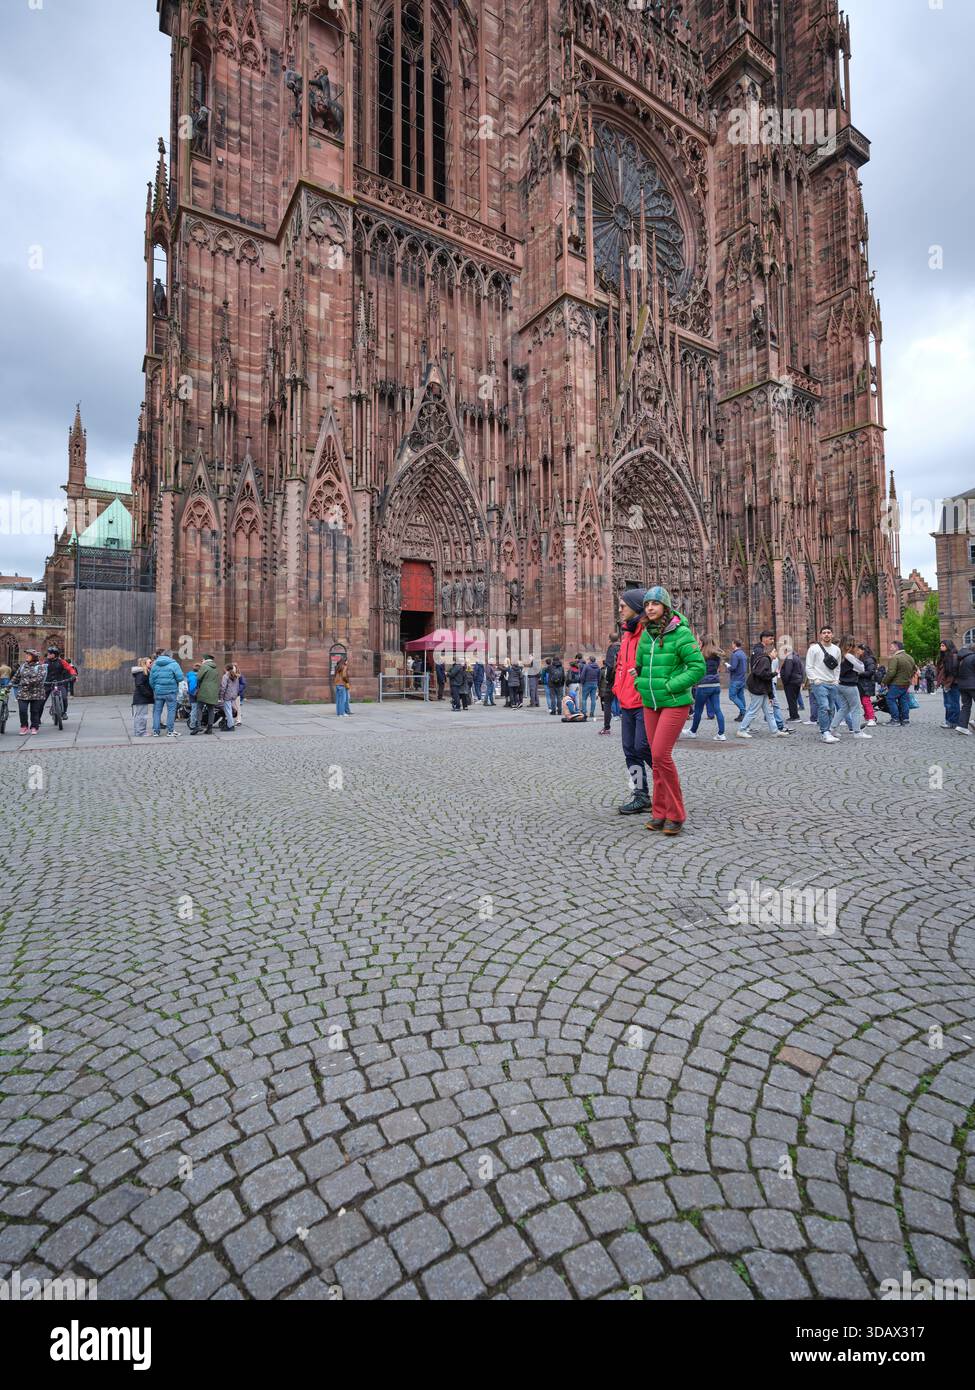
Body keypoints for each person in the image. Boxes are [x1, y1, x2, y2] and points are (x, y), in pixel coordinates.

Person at [633, 585, 705, 835]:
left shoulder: (681, 633)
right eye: (646, 604)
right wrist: (639, 683)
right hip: (651, 702)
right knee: (655, 758)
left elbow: (698, 667)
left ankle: (676, 814)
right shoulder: (645, 635)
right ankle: (659, 812)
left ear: (665, 606)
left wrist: (671, 685)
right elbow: (639, 666)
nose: (650, 608)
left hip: (674, 702)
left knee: (662, 756)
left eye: (655, 603)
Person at [614, 588, 653, 813]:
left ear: (636, 608)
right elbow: (621, 665)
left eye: (623, 606)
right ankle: (640, 794)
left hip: (643, 700)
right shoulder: (627, 634)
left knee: (644, 747)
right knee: (630, 750)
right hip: (627, 701)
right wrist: (618, 688)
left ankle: (667, 785)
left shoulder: (647, 633)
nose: (619, 610)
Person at [736, 632, 789, 739]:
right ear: (770, 653)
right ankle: (741, 730)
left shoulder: (766, 659)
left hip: (762, 688)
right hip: (758, 688)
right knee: (753, 710)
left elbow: (767, 680)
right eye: (775, 652)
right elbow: (761, 674)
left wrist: (770, 696)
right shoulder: (765, 659)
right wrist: (774, 674)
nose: (776, 654)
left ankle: (775, 731)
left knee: (769, 711)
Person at [804, 625, 842, 740]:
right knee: (824, 706)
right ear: (820, 635)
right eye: (824, 632)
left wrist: (836, 680)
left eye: (829, 632)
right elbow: (809, 666)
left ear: (832, 634)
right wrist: (815, 680)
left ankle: (829, 730)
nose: (826, 634)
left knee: (831, 708)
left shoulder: (836, 649)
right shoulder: (813, 649)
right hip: (820, 683)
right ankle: (825, 732)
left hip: (832, 683)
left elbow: (837, 666)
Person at [830, 636, 871, 739]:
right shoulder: (849, 656)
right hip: (849, 685)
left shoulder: (838, 654)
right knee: (856, 708)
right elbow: (861, 668)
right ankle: (857, 732)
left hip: (840, 684)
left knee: (844, 708)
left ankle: (832, 729)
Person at [683, 640, 726, 739]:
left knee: (698, 710)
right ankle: (721, 734)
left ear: (703, 643)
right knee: (718, 709)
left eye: (700, 642)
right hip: (715, 684)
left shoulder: (701, 655)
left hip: (704, 685)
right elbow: (718, 669)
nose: (699, 644)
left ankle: (693, 731)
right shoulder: (716, 655)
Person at [149, 649, 184, 737]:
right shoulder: (174, 664)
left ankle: (156, 731)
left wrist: (155, 688)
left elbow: (151, 680)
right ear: (170, 656)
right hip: (171, 691)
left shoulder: (155, 664)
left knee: (157, 711)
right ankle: (170, 731)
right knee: (171, 711)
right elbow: (180, 678)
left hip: (158, 692)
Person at [883, 641, 917, 726]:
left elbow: (891, 672)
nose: (890, 649)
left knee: (890, 699)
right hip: (906, 683)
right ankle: (905, 720)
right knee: (904, 701)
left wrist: (884, 682)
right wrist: (908, 678)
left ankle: (895, 720)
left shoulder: (895, 658)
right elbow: (914, 670)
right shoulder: (910, 657)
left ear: (896, 647)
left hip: (896, 683)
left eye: (891, 647)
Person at [14, 650, 46, 734]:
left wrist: (26, 682)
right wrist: (9, 685)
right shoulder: (22, 666)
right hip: (23, 693)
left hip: (36, 693)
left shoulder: (40, 667)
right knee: (22, 710)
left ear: (34, 657)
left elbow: (39, 678)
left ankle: (34, 727)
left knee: (35, 711)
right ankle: (24, 726)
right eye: (26, 655)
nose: (26, 656)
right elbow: (16, 677)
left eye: (29, 655)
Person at [44, 645, 75, 720]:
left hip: (59, 683)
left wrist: (74, 674)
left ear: (55, 654)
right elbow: (39, 670)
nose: (48, 654)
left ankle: (64, 713)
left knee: (64, 698)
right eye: (48, 653)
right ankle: (37, 719)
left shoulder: (61, 662)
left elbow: (70, 668)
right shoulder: (45, 662)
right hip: (48, 683)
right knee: (41, 701)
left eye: (50, 653)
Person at [192, 654, 220, 734]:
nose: (202, 661)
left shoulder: (204, 666)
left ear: (205, 659)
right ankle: (209, 728)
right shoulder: (215, 668)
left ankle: (198, 726)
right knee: (211, 709)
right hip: (213, 690)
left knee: (199, 707)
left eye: (202, 659)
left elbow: (198, 678)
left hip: (204, 690)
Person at [935, 640, 960, 729]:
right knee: (948, 703)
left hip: (952, 684)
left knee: (952, 703)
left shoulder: (953, 657)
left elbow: (952, 673)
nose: (941, 647)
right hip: (947, 684)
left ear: (948, 646)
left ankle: (953, 722)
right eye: (941, 645)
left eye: (943, 645)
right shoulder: (945, 657)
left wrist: (947, 685)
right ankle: (949, 721)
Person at [954, 640, 975, 735]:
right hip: (973, 684)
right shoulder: (973, 657)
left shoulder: (960, 658)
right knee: (966, 705)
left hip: (962, 685)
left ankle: (962, 726)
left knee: (966, 706)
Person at [779, 645, 805, 721]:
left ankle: (794, 716)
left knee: (791, 700)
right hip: (797, 681)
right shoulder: (797, 657)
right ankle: (795, 715)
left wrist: (785, 681)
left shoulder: (789, 658)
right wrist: (802, 680)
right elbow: (802, 670)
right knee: (794, 699)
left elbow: (788, 672)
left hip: (791, 682)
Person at [130, 657, 154, 737]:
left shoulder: (144, 672)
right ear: (145, 663)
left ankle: (139, 731)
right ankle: (141, 732)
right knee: (142, 716)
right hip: (141, 697)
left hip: (141, 697)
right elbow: (139, 685)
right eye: (150, 662)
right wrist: (148, 694)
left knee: (140, 715)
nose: (151, 664)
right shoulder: (142, 673)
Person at [726, 639, 748, 721]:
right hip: (742, 678)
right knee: (740, 696)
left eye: (732, 643)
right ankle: (742, 715)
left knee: (732, 696)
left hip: (736, 679)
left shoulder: (735, 654)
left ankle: (743, 711)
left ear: (735, 644)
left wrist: (728, 666)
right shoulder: (743, 653)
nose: (732, 645)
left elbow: (733, 667)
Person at [857, 644, 878, 726]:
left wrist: (858, 673)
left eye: (859, 650)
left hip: (866, 684)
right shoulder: (864, 659)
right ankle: (868, 717)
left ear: (863, 650)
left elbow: (870, 672)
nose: (857, 652)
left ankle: (871, 718)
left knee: (866, 701)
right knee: (864, 701)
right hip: (863, 683)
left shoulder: (869, 659)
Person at [597, 661, 614, 734]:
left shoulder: (603, 670)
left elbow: (600, 680)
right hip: (621, 683)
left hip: (609, 686)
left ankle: (606, 727)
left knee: (607, 704)